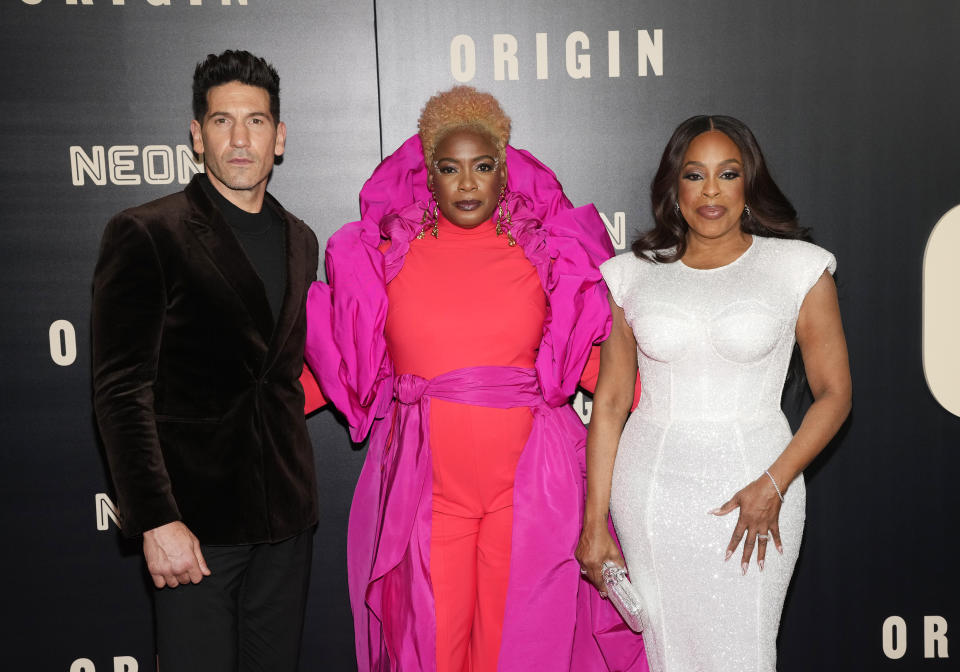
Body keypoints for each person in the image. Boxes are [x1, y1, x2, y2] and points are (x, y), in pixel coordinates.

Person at [301, 86, 646, 671]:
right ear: (427, 175)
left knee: (518, 645)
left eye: (482, 167)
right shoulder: (386, 257)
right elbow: (336, 362)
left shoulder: (546, 255)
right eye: (450, 168)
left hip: (532, 487)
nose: (466, 182)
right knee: (432, 644)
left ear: (503, 173)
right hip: (429, 486)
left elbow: (598, 369)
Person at [576, 115, 852, 671]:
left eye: (727, 174)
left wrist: (774, 483)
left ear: (748, 183)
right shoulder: (630, 276)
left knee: (745, 651)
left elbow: (834, 394)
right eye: (694, 175)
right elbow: (608, 404)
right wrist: (593, 524)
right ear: (673, 190)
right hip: (652, 493)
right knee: (669, 655)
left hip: (761, 482)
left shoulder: (798, 268)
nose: (710, 191)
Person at [92, 50, 318, 672]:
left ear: (279, 137)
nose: (240, 139)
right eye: (222, 121)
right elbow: (120, 390)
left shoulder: (301, 239)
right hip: (194, 528)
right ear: (197, 134)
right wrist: (156, 519)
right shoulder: (147, 233)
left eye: (256, 121)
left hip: (288, 521)